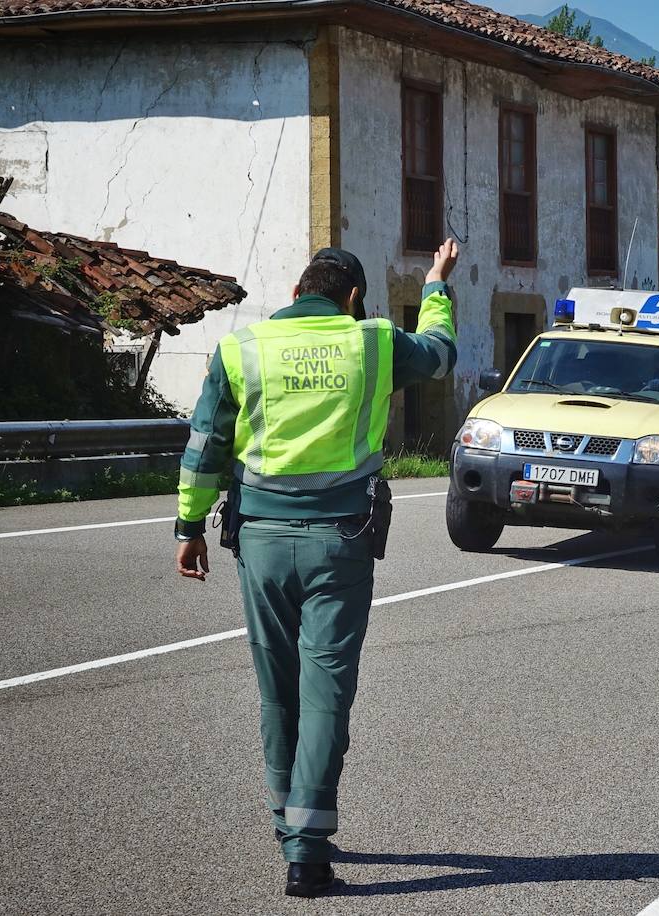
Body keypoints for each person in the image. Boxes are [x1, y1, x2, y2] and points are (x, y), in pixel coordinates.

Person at [174, 239, 459, 898]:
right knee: (327, 693)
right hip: (341, 541)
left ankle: (288, 825)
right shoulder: (375, 342)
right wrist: (436, 285)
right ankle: (307, 851)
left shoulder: (242, 349)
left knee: (278, 691)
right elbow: (441, 354)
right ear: (353, 297)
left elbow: (205, 444)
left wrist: (189, 527)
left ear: (297, 291)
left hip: (261, 542)